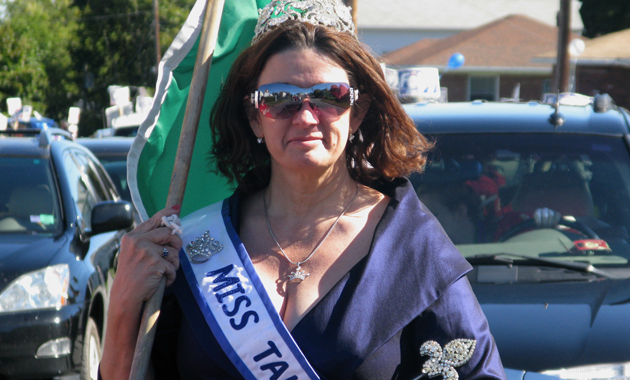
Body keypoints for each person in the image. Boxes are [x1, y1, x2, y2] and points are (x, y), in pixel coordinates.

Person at [99, 1, 506, 379]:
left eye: (330, 96)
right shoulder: (197, 244)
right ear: (255, 119)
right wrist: (122, 306)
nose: (306, 116)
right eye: (279, 99)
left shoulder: (413, 248)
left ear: (358, 111)